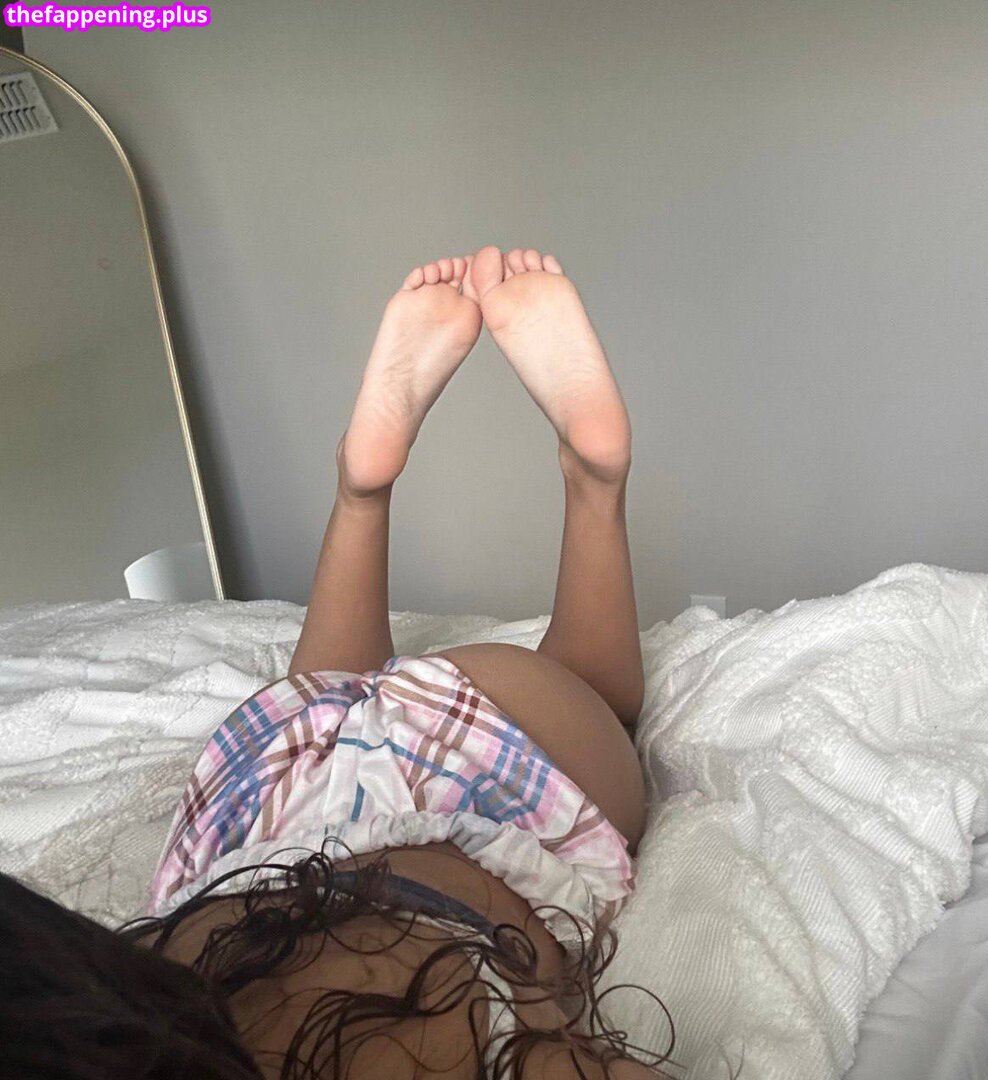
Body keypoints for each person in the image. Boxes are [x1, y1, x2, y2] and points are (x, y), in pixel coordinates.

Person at [0, 246, 675, 1079]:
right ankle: (365, 488)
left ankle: (583, 482)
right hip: (261, 805)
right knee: (320, 699)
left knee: (596, 708)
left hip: (481, 783)